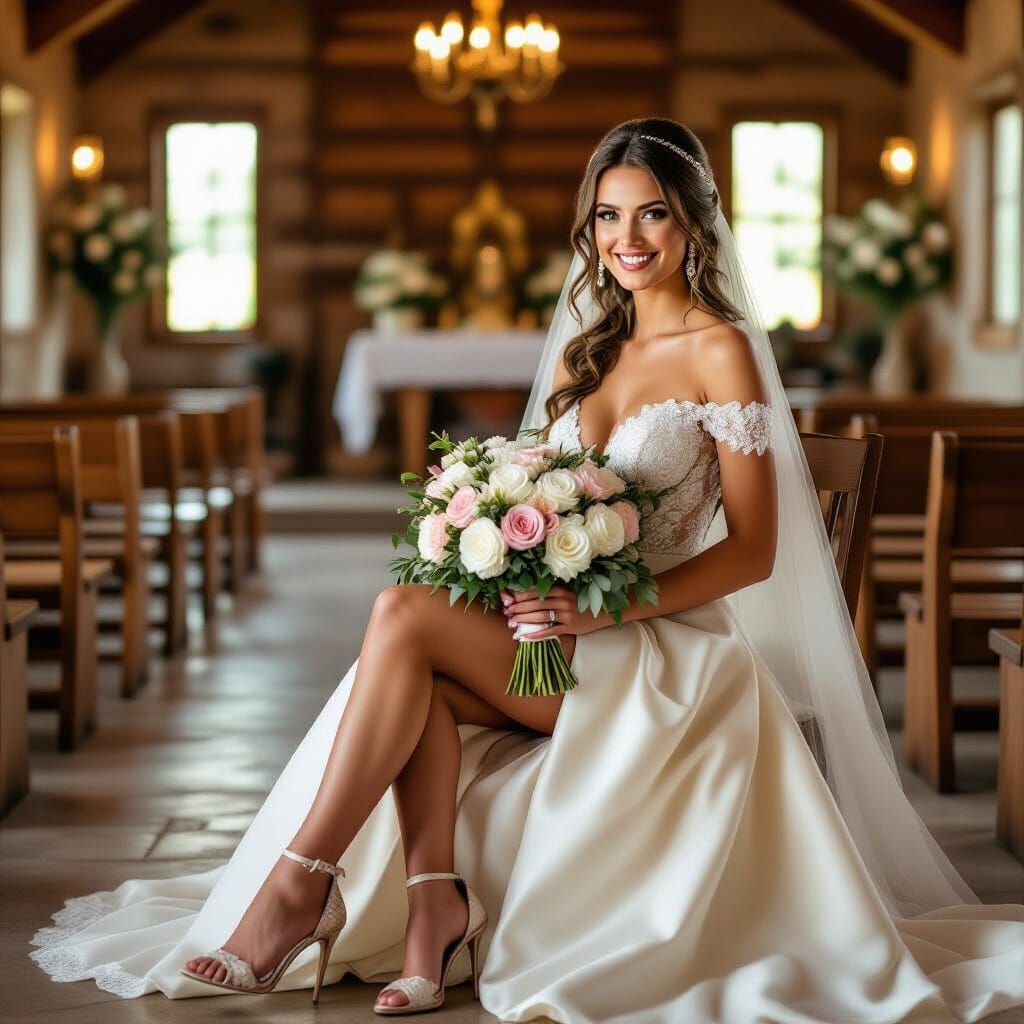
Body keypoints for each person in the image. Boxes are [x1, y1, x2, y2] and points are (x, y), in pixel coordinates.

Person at [30, 117, 1024, 1022]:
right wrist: (505, 555)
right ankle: (431, 916)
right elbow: (541, 493)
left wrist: (603, 611)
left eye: (651, 215)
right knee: (407, 658)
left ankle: (300, 882)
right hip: (555, 629)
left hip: (661, 655)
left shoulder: (718, 350)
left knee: (400, 619)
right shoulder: (587, 349)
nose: (625, 237)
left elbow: (754, 551)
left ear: (693, 226)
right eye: (606, 216)